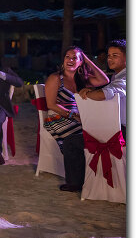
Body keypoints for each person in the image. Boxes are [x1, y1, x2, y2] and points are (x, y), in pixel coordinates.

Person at [43, 46, 109, 192]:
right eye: (68, 57)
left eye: (75, 58)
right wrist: (75, 116)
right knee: (80, 137)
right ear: (63, 60)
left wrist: (86, 59)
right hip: (57, 117)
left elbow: (104, 80)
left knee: (94, 134)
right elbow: (51, 105)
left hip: (78, 118)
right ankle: (77, 180)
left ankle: (89, 176)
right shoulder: (55, 78)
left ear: (81, 62)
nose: (70, 60)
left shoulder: (82, 80)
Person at [79, 39, 126, 138]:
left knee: (72, 141)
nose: (109, 59)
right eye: (109, 55)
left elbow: (104, 94)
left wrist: (86, 94)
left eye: (115, 56)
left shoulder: (125, 78)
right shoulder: (116, 76)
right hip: (117, 125)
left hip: (124, 130)